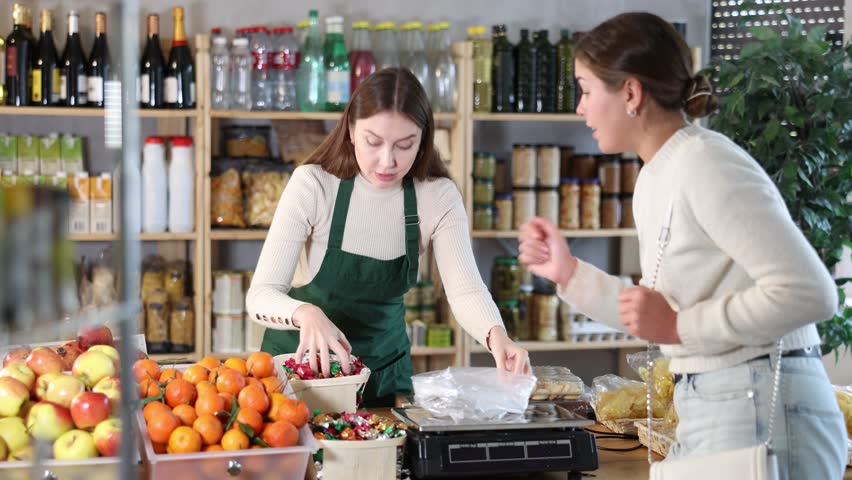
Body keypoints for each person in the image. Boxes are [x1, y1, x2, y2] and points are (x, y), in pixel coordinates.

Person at [518, 12, 846, 479]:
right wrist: (570, 273)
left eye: (586, 89)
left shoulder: (706, 162)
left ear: (630, 93)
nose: (580, 107)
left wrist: (681, 324)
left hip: (761, 404)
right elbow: (659, 315)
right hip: (714, 401)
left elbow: (811, 293)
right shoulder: (656, 175)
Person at [246, 68, 530, 407]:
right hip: (298, 371)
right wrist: (306, 313)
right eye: (373, 142)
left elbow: (464, 288)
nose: (387, 161)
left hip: (382, 375)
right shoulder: (314, 185)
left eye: (405, 145)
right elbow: (261, 295)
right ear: (350, 129)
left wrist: (496, 336)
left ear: (424, 139)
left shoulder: (437, 196)